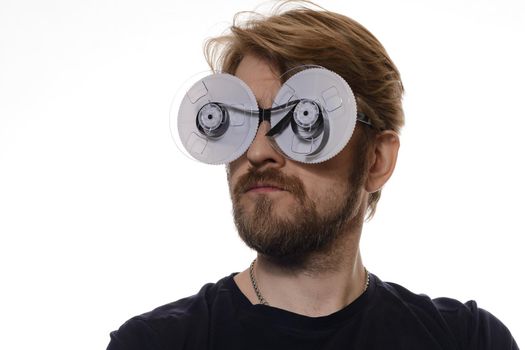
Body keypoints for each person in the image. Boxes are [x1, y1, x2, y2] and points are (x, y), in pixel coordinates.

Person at [106, 1, 519, 349]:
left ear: (377, 159)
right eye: (240, 122)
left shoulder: (466, 340)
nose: (258, 150)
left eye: (305, 122)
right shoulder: (155, 343)